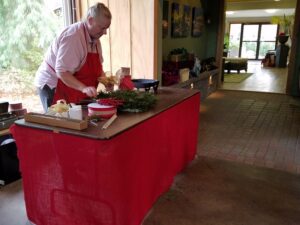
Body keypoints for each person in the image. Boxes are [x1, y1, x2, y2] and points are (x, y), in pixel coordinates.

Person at [34, 2, 112, 112]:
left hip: (72, 88)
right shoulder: (73, 37)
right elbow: (62, 71)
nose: (105, 33)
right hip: (54, 86)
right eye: (102, 28)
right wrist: (84, 88)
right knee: (58, 124)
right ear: (90, 20)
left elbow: (98, 69)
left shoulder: (95, 39)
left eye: (106, 28)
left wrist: (106, 81)